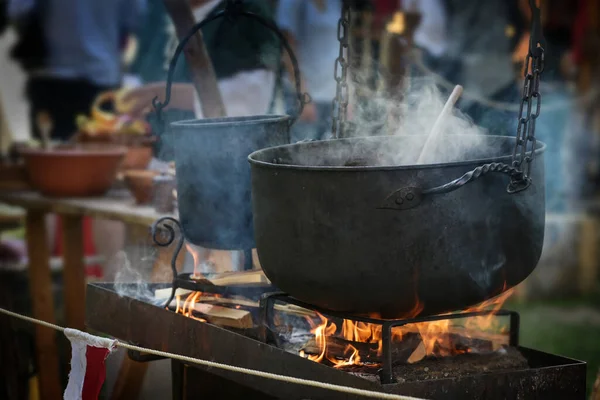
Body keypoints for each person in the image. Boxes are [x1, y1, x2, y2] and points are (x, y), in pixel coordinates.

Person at [8, 0, 146, 141]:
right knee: (102, 154)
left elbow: (18, 11)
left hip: (53, 79)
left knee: (51, 156)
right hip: (103, 77)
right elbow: (132, 22)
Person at [275, 0, 342, 142]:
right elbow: (288, 50)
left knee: (333, 153)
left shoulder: (334, 2)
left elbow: (341, 47)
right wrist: (304, 96)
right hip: (304, 93)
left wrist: (348, 95)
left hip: (332, 94)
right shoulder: (291, 3)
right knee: (302, 151)